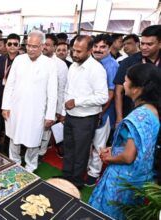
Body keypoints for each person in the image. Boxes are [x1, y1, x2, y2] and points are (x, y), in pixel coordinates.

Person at [89, 63, 161, 219]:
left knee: (107, 214)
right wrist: (114, 149)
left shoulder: (137, 117)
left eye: (126, 80)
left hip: (122, 178)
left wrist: (110, 157)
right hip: (140, 177)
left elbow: (128, 156)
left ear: (137, 88)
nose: (123, 84)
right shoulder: (153, 110)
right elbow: (138, 145)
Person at [2, 30, 58, 173]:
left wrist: (50, 115)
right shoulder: (19, 60)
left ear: (42, 46)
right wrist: (5, 106)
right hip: (16, 108)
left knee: (33, 141)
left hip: (36, 111)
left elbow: (52, 92)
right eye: (29, 46)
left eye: (35, 46)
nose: (31, 49)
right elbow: (10, 84)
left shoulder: (50, 64)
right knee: (14, 138)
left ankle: (30, 166)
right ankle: (14, 162)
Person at [62, 35, 108, 189]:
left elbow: (103, 97)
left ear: (89, 51)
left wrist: (77, 102)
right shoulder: (74, 65)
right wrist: (64, 110)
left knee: (80, 153)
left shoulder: (97, 69)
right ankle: (66, 178)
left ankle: (75, 183)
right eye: (73, 50)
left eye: (79, 51)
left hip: (85, 118)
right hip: (70, 116)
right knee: (68, 149)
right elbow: (68, 90)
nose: (74, 54)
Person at [86, 34, 119, 186]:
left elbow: (111, 94)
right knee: (87, 143)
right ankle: (86, 169)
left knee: (99, 145)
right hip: (89, 110)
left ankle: (94, 174)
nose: (98, 50)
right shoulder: (90, 62)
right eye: (96, 46)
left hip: (104, 113)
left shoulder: (111, 65)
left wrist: (100, 112)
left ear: (109, 48)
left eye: (102, 47)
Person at [113, 25, 161, 126]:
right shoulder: (129, 62)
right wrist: (119, 118)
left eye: (149, 44)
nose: (144, 47)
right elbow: (118, 91)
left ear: (160, 44)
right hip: (132, 114)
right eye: (142, 43)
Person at [0, 33, 20, 154]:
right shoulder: (0, 59)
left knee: (10, 129)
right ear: (6, 46)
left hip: (14, 100)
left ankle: (8, 154)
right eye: (10, 44)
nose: (12, 46)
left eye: (15, 44)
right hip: (0, 97)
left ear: (19, 46)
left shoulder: (22, 61)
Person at [39, 33, 68, 161]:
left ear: (54, 47)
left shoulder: (61, 65)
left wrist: (60, 110)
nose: (44, 47)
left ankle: (41, 153)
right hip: (35, 103)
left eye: (48, 45)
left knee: (46, 131)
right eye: (43, 44)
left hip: (51, 104)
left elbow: (62, 89)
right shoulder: (36, 59)